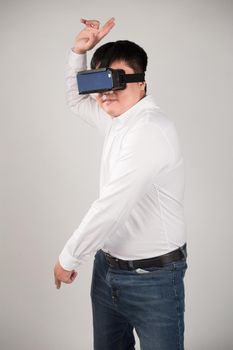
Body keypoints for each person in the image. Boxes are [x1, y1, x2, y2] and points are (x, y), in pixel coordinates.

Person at [54, 17, 188, 350]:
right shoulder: (120, 121)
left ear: (141, 82)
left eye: (117, 80)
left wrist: (69, 257)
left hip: (153, 279)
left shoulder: (149, 129)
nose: (106, 93)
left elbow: (111, 206)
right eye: (99, 82)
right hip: (107, 271)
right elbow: (76, 100)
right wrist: (77, 52)